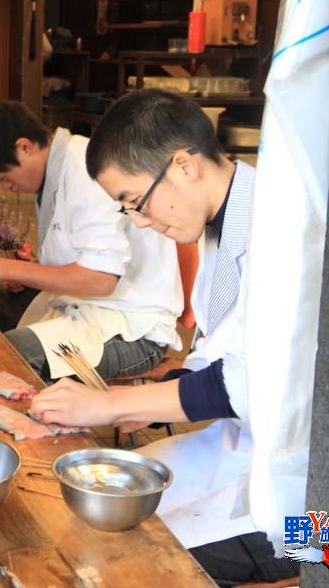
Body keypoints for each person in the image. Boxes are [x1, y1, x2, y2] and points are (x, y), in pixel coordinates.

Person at [29, 89, 297, 585]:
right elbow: (217, 356)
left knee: (129, 560)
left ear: (184, 166)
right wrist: (141, 404)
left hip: (325, 512)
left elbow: (256, 386)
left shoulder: (283, 228)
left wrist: (108, 405)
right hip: (249, 451)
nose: (143, 222)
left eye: (136, 202)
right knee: (98, 504)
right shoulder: (222, 221)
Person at [0, 100, 182, 381]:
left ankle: (38, 421)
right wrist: (28, 273)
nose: (6, 187)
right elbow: (79, 252)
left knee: (12, 356)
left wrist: (6, 268)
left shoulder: (85, 169)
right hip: (85, 309)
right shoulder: (55, 172)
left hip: (132, 330)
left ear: (24, 147)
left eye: (3, 178)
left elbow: (101, 279)